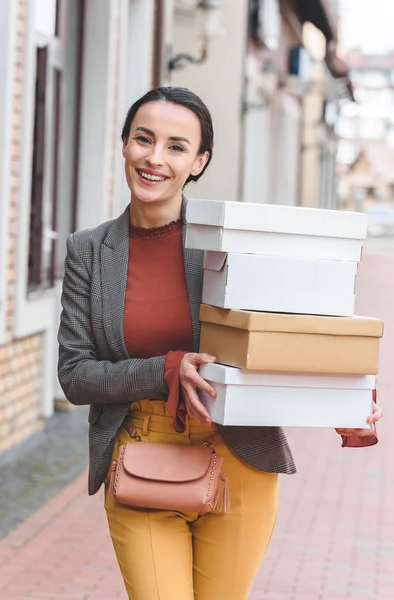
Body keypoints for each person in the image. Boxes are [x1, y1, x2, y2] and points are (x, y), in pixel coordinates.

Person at [57, 86, 382, 600]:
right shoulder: (88, 252)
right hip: (142, 457)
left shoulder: (232, 241)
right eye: (144, 139)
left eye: (176, 147)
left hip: (240, 461)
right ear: (124, 145)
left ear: (199, 161)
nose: (155, 158)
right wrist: (166, 368)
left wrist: (337, 397)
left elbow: (285, 329)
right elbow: (76, 375)